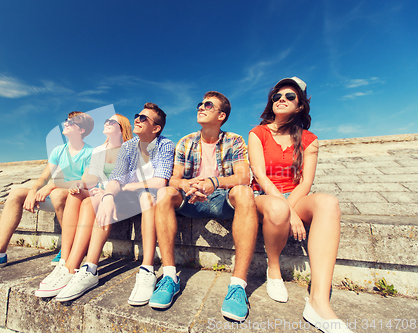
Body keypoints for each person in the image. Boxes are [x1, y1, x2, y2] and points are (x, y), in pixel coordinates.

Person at [36, 103, 175, 306]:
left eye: (144, 118)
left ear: (156, 128)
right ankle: (85, 268)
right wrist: (108, 196)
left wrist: (122, 188)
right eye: (138, 115)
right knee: (93, 201)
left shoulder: (165, 145)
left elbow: (159, 182)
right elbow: (115, 179)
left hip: (147, 197)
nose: (137, 119)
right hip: (127, 197)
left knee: (146, 196)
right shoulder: (128, 147)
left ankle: (147, 269)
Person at [248, 77, 352, 333]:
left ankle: (318, 302)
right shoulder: (258, 133)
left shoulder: (310, 139)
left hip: (295, 195)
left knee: (329, 203)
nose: (281, 99)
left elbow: (306, 182)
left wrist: (292, 208)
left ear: (300, 106)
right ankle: (274, 269)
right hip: (263, 195)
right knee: (278, 208)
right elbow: (260, 176)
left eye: (290, 96)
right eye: (277, 96)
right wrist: (284, 207)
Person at [151, 91, 258, 322]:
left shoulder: (235, 140)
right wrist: (187, 185)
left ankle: (238, 286)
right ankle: (170, 277)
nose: (201, 107)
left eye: (208, 104)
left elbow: (243, 176)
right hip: (191, 198)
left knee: (245, 192)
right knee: (165, 192)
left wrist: (214, 183)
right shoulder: (186, 141)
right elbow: (174, 179)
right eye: (200, 103)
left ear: (221, 115)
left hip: (222, 197)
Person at [0, 111, 94, 275]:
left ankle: (68, 248)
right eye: (66, 120)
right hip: (57, 195)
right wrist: (33, 191)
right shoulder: (59, 151)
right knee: (16, 193)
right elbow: (43, 178)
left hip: (76, 196)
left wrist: (52, 186)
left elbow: (84, 182)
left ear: (81, 130)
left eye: (71, 122)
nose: (66, 124)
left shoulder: (90, 152)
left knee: (57, 194)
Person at [34, 113, 132, 297]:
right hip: (98, 190)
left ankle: (79, 268)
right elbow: (93, 179)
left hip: (120, 193)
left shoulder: (129, 149)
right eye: (106, 120)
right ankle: (65, 262)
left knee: (90, 202)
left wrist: (106, 192)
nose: (107, 123)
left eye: (112, 121)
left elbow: (128, 179)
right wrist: (81, 184)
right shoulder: (98, 150)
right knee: (75, 194)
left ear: (122, 128)